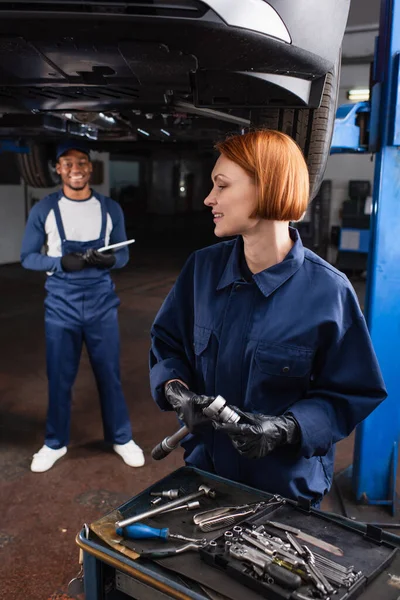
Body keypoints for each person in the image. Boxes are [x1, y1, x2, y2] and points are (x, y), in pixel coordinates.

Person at [149, 129, 387, 506]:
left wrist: (286, 428)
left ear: (267, 187)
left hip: (285, 492)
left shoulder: (329, 292)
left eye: (222, 186)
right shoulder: (202, 270)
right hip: (206, 478)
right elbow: (167, 344)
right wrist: (177, 391)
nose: (209, 198)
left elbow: (352, 391)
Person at [21, 141, 144, 472]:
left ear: (91, 168)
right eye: (67, 163)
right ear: (58, 169)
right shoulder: (44, 209)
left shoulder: (109, 208)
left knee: (109, 373)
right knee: (60, 377)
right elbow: (28, 257)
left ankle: (121, 438)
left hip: (102, 304)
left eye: (82, 162)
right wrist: (62, 263)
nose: (75, 168)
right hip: (61, 306)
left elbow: (124, 255)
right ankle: (54, 443)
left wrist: (111, 259)